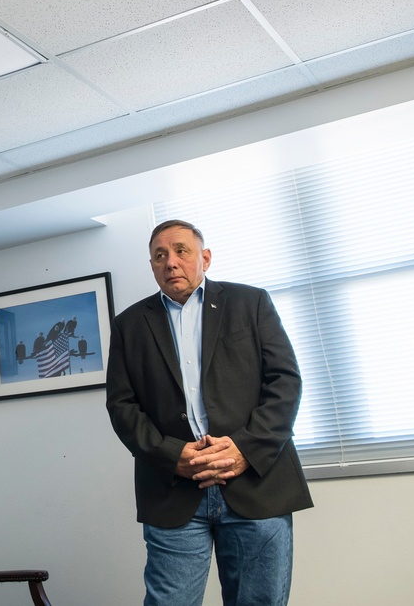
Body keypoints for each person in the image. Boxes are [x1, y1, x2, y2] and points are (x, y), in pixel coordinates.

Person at [105, 219, 313, 606]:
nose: (171, 262)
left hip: (256, 483)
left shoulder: (251, 303)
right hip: (173, 490)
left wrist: (243, 449)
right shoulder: (129, 325)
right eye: (159, 255)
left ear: (205, 258)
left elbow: (285, 382)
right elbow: (121, 406)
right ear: (152, 266)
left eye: (181, 251)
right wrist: (173, 456)